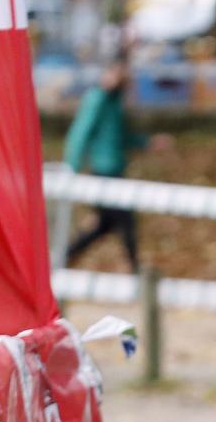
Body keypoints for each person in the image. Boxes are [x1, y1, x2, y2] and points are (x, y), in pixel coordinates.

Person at [63, 60, 169, 270]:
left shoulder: (115, 103)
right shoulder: (97, 99)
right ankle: (135, 269)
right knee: (125, 220)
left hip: (114, 168)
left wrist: (148, 142)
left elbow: (119, 137)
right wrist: (71, 168)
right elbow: (80, 135)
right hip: (103, 172)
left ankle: (66, 256)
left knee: (106, 224)